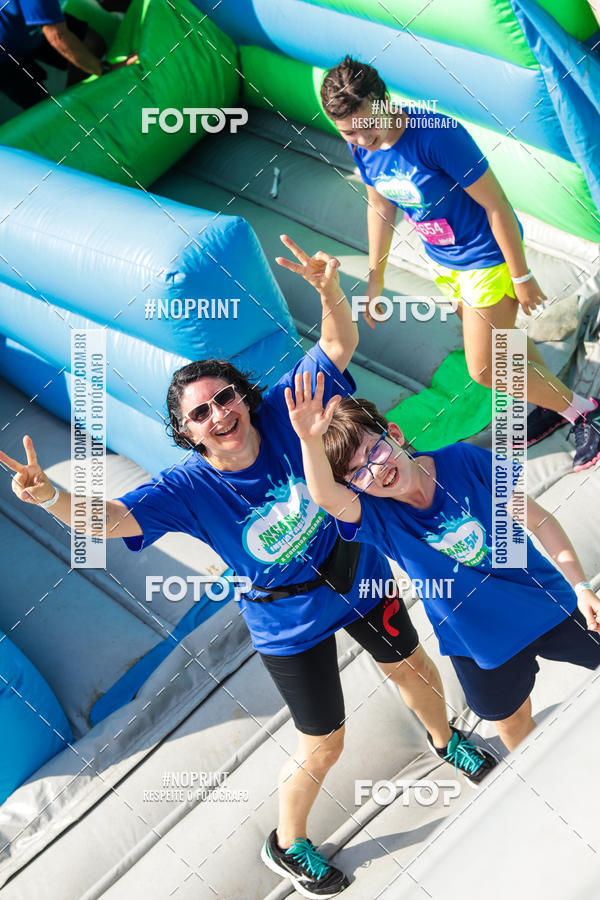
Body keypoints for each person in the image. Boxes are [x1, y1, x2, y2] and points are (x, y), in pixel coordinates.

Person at [0, 237, 496, 900]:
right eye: (200, 413)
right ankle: (287, 843)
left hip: (357, 571)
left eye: (225, 397)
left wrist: (329, 291)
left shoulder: (291, 409)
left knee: (411, 666)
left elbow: (338, 345)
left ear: (243, 397)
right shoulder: (186, 489)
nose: (219, 414)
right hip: (288, 619)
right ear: (187, 433)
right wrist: (50, 498)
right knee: (324, 742)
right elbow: (109, 519)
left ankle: (444, 739)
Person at [286, 373, 600, 751]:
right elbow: (324, 496)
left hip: (544, 601)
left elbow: (540, 521)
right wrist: (308, 440)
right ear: (353, 487)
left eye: (374, 451)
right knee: (511, 719)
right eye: (357, 473)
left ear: (394, 433)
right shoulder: (376, 518)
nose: (375, 470)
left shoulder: (463, 460)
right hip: (477, 641)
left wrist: (582, 587)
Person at [320, 56, 600, 472]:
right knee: (503, 342)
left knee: (484, 367)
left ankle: (583, 411)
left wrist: (520, 274)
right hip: (446, 264)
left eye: (366, 125)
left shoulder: (437, 135)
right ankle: (552, 401)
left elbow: (496, 205)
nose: (360, 139)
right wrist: (376, 276)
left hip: (486, 256)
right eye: (348, 132)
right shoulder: (362, 146)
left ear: (384, 101)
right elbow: (380, 206)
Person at [0, 0, 137, 109]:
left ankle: (76, 99)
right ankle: (71, 111)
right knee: (40, 102)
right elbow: (57, 37)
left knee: (92, 44)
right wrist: (105, 70)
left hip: (27, 27)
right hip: (4, 54)